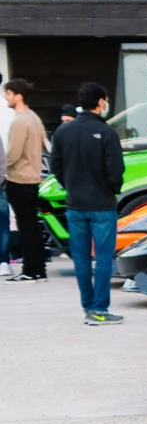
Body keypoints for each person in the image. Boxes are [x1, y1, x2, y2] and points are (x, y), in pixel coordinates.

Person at [51, 82, 122, 323]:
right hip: (102, 204)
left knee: (81, 259)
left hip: (74, 205)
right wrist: (112, 190)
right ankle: (100, 310)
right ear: (101, 101)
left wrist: (70, 186)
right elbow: (115, 171)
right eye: (106, 99)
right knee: (103, 258)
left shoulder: (62, 131)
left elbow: (55, 168)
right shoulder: (107, 132)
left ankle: (88, 307)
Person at [2, 79, 47, 281]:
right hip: (32, 178)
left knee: (25, 227)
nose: (5, 97)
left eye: (8, 93)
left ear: (18, 96)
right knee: (32, 226)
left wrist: (2, 169)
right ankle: (38, 269)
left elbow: (12, 154)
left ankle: (30, 270)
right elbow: (44, 144)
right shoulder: (34, 118)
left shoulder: (20, 120)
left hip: (19, 179)